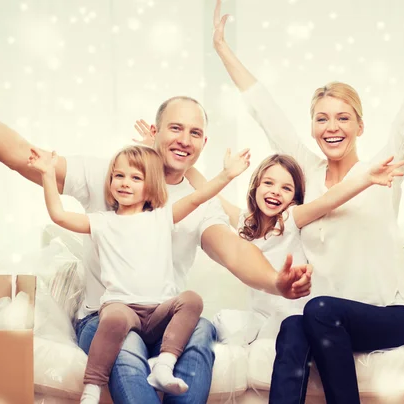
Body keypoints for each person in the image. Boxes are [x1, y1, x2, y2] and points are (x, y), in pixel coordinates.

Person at [0, 48, 312, 404]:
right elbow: (22, 156)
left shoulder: (197, 205)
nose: (184, 140)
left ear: (203, 142)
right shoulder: (114, 175)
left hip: (163, 316)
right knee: (126, 350)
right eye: (176, 128)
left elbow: (234, 251)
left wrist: (277, 282)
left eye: (194, 134)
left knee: (201, 331)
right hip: (108, 315)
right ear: (155, 130)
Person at [211, 0, 404, 402]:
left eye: (343, 118)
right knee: (294, 325)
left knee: (317, 310)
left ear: (360, 125)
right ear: (311, 127)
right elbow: (265, 111)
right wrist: (222, 48)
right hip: (325, 318)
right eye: (322, 118)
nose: (332, 127)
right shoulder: (304, 178)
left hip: (393, 316)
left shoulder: (383, 169)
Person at [135, 123, 404, 341]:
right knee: (219, 326)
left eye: (286, 188)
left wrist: (365, 179)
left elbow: (329, 199)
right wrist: (159, 150)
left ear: (294, 197)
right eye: (268, 183)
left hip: (293, 315)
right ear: (254, 187)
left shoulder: (291, 219)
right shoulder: (243, 223)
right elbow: (207, 192)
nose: (275, 192)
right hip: (260, 316)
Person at [28, 144, 250, 402]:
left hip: (158, 312)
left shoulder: (162, 216)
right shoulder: (101, 221)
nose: (124, 183)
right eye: (118, 176)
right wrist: (47, 173)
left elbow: (198, 197)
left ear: (152, 185)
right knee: (113, 320)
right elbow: (59, 216)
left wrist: (228, 174)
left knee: (192, 300)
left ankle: (164, 365)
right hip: (122, 308)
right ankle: (92, 388)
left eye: (136, 178)